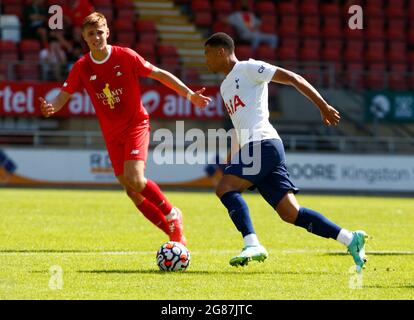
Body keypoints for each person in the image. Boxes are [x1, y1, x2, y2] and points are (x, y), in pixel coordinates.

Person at [39, 12, 211, 245]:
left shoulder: (126, 56)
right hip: (111, 134)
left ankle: (172, 215)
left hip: (135, 125)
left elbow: (160, 74)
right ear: (84, 38)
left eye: (100, 32)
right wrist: (52, 108)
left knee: (136, 179)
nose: (96, 37)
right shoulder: (82, 66)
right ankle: (172, 237)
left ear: (107, 33)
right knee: (131, 191)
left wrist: (189, 94)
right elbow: (63, 95)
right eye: (91, 34)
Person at [203, 32, 368, 272]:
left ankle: (252, 243)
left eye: (207, 53)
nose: (205, 60)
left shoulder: (249, 68)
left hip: (264, 143)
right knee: (290, 213)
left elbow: (292, 77)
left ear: (221, 51)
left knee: (225, 187)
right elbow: (241, 126)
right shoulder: (225, 87)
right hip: (257, 147)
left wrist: (323, 106)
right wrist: (232, 155)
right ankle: (350, 238)